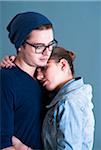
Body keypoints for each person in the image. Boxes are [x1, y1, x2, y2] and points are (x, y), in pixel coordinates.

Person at [0, 11, 58, 150]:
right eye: (39, 46)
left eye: (50, 44)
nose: (47, 52)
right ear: (20, 45)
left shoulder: (45, 78)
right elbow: (3, 143)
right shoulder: (6, 81)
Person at [36, 47, 95, 150]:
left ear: (63, 65)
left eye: (44, 68)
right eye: (36, 71)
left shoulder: (69, 102)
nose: (39, 76)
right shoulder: (66, 99)